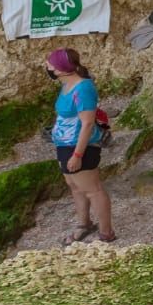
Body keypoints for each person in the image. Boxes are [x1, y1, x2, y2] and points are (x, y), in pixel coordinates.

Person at [47, 48, 115, 244]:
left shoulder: (83, 88)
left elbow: (86, 123)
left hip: (80, 146)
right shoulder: (66, 85)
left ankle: (106, 233)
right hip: (64, 144)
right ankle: (84, 224)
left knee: (92, 189)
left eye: (50, 64)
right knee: (75, 186)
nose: (48, 67)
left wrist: (78, 154)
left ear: (60, 69)